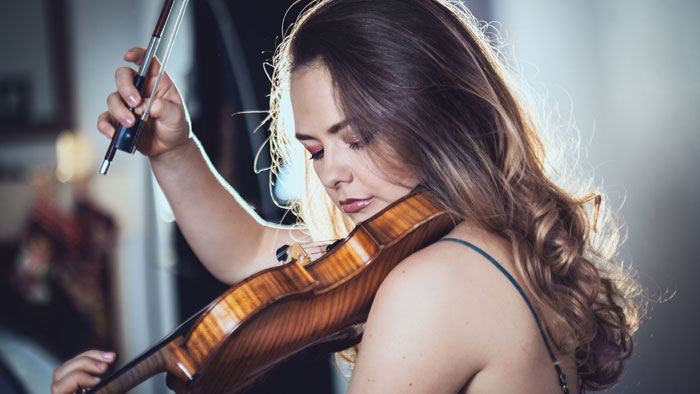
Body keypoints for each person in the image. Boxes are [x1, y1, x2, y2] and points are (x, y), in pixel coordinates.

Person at [51, 0, 642, 393]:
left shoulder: (431, 285)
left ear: (432, 115)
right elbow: (253, 248)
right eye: (314, 150)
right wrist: (172, 151)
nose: (332, 174)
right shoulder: (469, 237)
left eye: (354, 138)